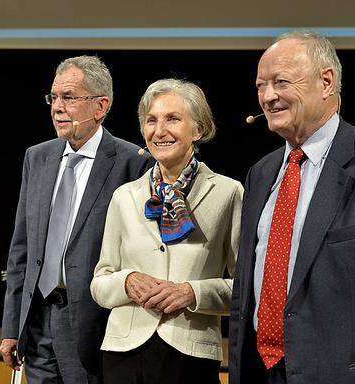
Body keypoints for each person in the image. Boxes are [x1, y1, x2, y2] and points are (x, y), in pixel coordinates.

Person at [229, 30, 355, 384]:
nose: (268, 97)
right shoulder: (260, 173)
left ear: (326, 82)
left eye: (280, 82)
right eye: (260, 86)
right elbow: (245, 290)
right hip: (262, 372)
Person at [0, 55, 152, 383]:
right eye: (53, 98)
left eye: (68, 97)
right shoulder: (37, 157)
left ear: (101, 106)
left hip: (94, 325)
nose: (57, 107)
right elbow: (21, 250)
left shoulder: (132, 163)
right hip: (38, 321)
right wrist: (12, 328)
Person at [91, 78, 243, 384]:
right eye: (151, 121)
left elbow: (244, 288)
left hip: (189, 354)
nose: (159, 131)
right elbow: (100, 283)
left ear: (198, 130)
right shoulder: (125, 196)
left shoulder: (228, 192)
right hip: (123, 351)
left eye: (172, 119)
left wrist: (192, 293)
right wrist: (127, 281)